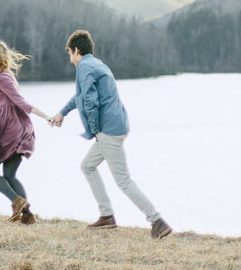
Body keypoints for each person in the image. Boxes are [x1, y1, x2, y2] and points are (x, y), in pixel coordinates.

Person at [49, 29, 172, 239]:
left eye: (70, 53)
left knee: (123, 180)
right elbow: (81, 95)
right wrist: (63, 112)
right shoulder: (96, 64)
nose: (70, 59)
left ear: (76, 50)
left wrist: (95, 129)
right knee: (87, 166)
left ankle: (157, 221)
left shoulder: (84, 67)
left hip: (108, 130)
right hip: (118, 125)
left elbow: (90, 100)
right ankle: (106, 216)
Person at [0, 40, 52, 224]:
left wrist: (46, 116)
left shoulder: (3, 78)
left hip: (10, 134)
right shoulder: (6, 77)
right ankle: (27, 216)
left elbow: (22, 103)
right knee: (9, 175)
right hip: (19, 132)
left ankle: (17, 201)